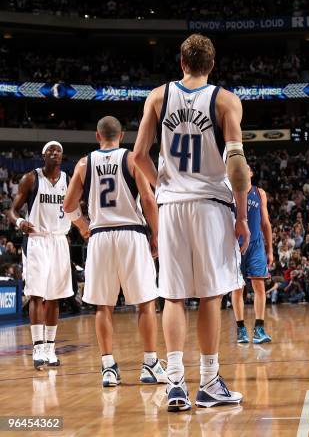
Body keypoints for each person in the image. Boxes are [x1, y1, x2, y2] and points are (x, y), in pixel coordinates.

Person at [133, 34, 249, 412]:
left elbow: (138, 155)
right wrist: (243, 215)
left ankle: (176, 383)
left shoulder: (156, 97)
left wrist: (162, 184)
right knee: (211, 294)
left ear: (180, 62)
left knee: (174, 295)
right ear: (212, 65)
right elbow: (236, 167)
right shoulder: (226, 100)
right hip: (212, 205)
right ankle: (210, 381)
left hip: (171, 205)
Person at [63, 116, 167, 387]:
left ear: (98, 136)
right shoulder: (132, 159)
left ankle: (108, 367)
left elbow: (68, 205)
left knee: (103, 306)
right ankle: (150, 364)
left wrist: (83, 227)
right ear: (121, 135)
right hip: (131, 234)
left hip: (100, 237)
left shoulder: (84, 164)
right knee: (145, 303)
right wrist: (156, 235)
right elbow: (147, 199)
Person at [8, 141, 72, 370]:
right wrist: (19, 222)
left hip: (59, 240)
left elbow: (74, 210)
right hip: (36, 240)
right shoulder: (31, 178)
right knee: (36, 294)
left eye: (58, 151)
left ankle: (50, 348)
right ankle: (37, 347)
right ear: (43, 156)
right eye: (50, 151)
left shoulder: (69, 180)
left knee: (55, 297)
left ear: (62, 156)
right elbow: (12, 210)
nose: (55, 153)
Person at [232, 167, 274, 344]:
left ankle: (259, 328)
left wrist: (270, 249)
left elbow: (265, 223)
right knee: (237, 288)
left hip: (256, 245)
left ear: (251, 173)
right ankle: (241, 328)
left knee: (259, 287)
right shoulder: (229, 192)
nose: (243, 170)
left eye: (247, 168)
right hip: (235, 245)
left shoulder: (259, 192)